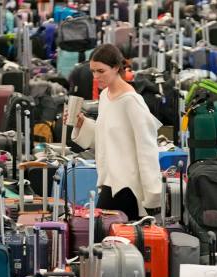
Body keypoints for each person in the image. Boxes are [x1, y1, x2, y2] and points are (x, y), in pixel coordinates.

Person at [69, 44, 162, 221]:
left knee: (103, 236)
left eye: (101, 71)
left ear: (116, 68)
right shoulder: (105, 96)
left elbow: (147, 148)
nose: (96, 77)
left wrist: (153, 195)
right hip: (110, 180)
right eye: (93, 71)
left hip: (128, 187)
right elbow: (106, 139)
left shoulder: (131, 101)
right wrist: (83, 124)